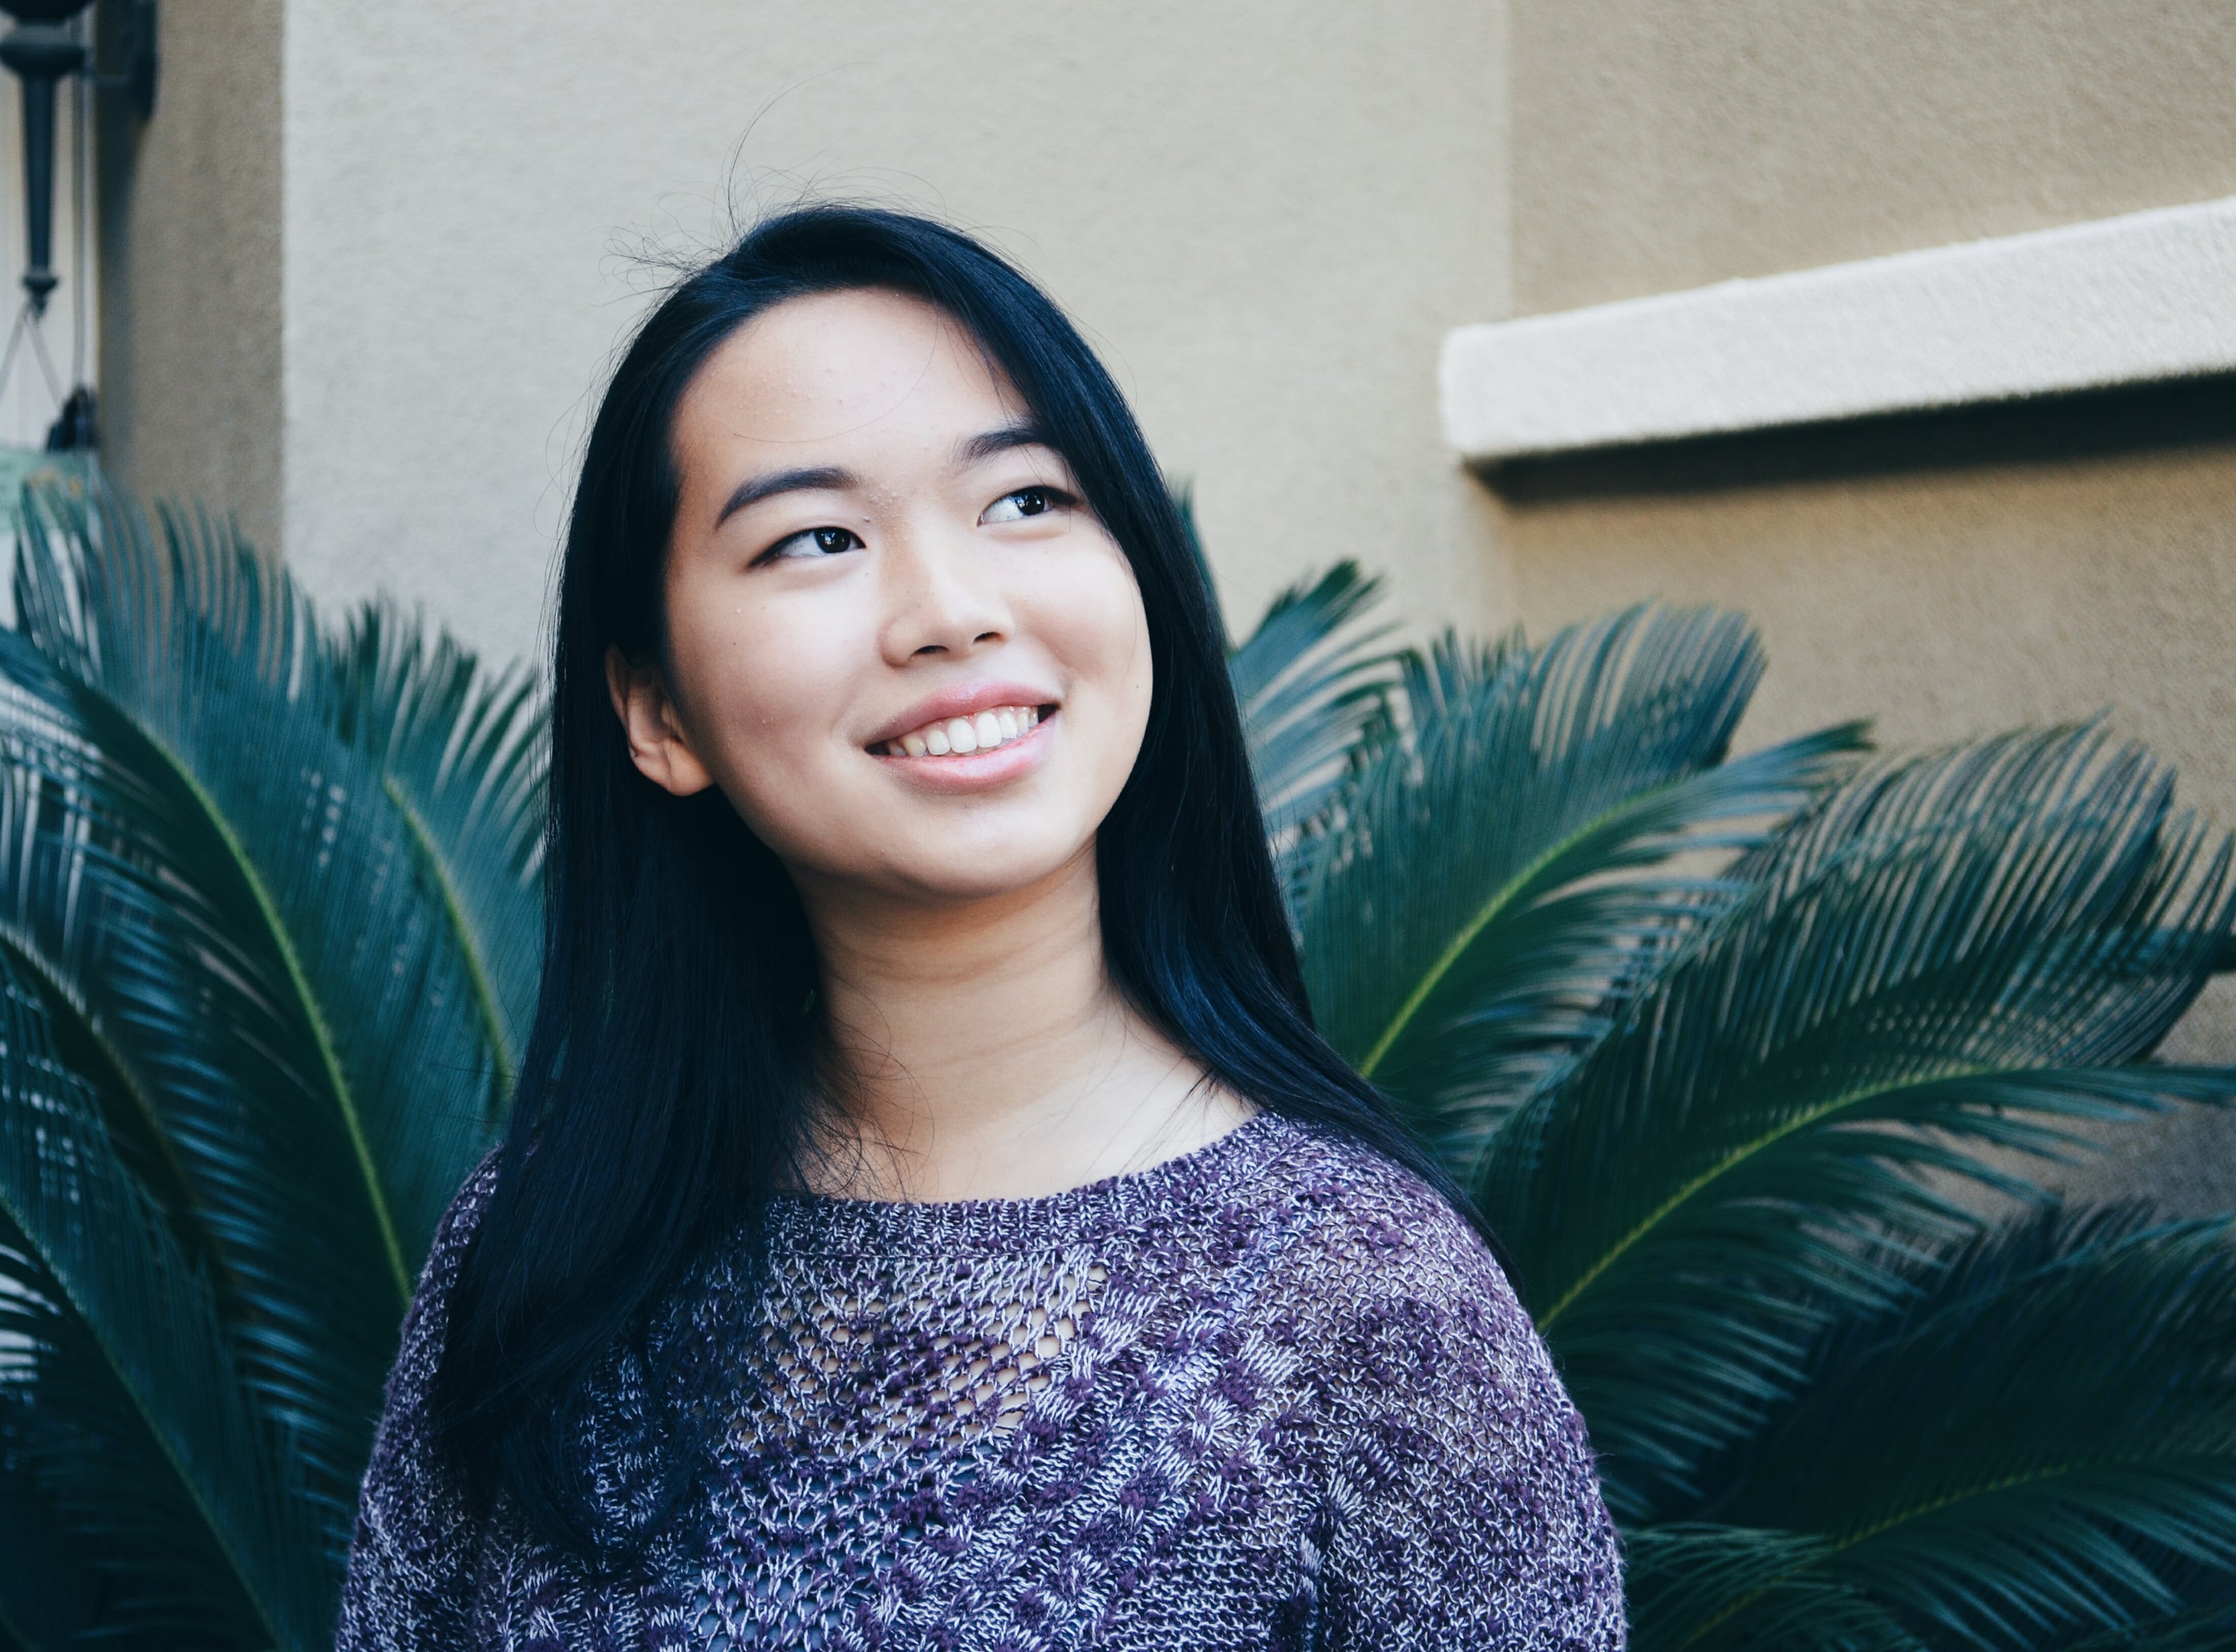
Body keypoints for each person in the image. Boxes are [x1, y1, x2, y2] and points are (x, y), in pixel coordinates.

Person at [334, 205, 1624, 1651]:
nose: (948, 612)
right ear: (657, 712)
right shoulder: (538, 1261)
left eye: (1023, 501)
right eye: (816, 538)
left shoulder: (1365, 1309)